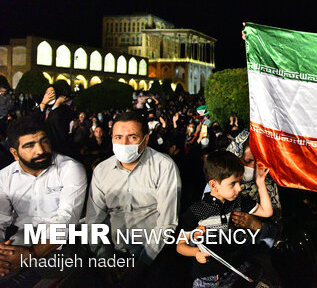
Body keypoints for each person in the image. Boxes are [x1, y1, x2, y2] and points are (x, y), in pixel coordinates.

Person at [85, 111, 181, 283]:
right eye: (118, 137)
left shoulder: (164, 166)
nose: (124, 143)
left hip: (155, 256)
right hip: (115, 255)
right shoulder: (101, 171)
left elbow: (167, 222)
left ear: (145, 140)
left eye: (132, 137)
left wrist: (142, 264)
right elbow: (95, 220)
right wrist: (106, 260)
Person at [0, 117, 87, 283]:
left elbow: (66, 218)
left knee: (50, 267)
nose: (40, 150)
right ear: (14, 153)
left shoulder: (69, 168)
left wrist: (31, 254)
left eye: (44, 142)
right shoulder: (4, 178)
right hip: (23, 237)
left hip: (66, 239)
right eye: (29, 146)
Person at [176, 150, 273, 287]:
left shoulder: (238, 202)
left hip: (239, 268)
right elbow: (180, 246)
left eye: (240, 182)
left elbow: (267, 212)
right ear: (214, 185)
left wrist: (260, 183)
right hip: (209, 277)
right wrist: (196, 252)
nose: (239, 188)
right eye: (233, 183)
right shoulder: (197, 211)